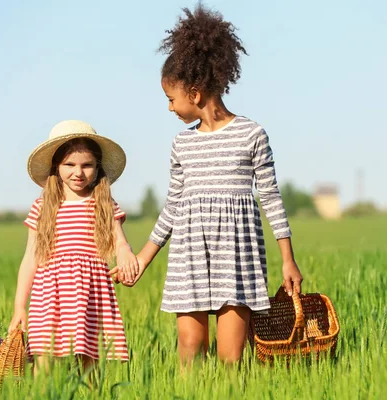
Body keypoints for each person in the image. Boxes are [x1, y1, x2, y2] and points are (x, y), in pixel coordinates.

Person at [130, 4, 303, 364]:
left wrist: (288, 260)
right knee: (190, 347)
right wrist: (142, 259)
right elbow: (174, 206)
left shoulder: (251, 134)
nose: (169, 108)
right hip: (189, 254)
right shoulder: (182, 143)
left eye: (171, 99)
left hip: (236, 255)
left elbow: (270, 197)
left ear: (194, 94)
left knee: (229, 358)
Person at [8, 120, 137, 375]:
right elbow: (30, 259)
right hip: (49, 295)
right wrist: (19, 307)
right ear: (56, 166)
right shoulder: (43, 206)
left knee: (89, 363)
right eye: (70, 164)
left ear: (97, 167)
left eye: (87, 165)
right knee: (43, 360)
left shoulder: (104, 203)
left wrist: (126, 254)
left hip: (91, 293)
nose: (78, 172)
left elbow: (120, 241)